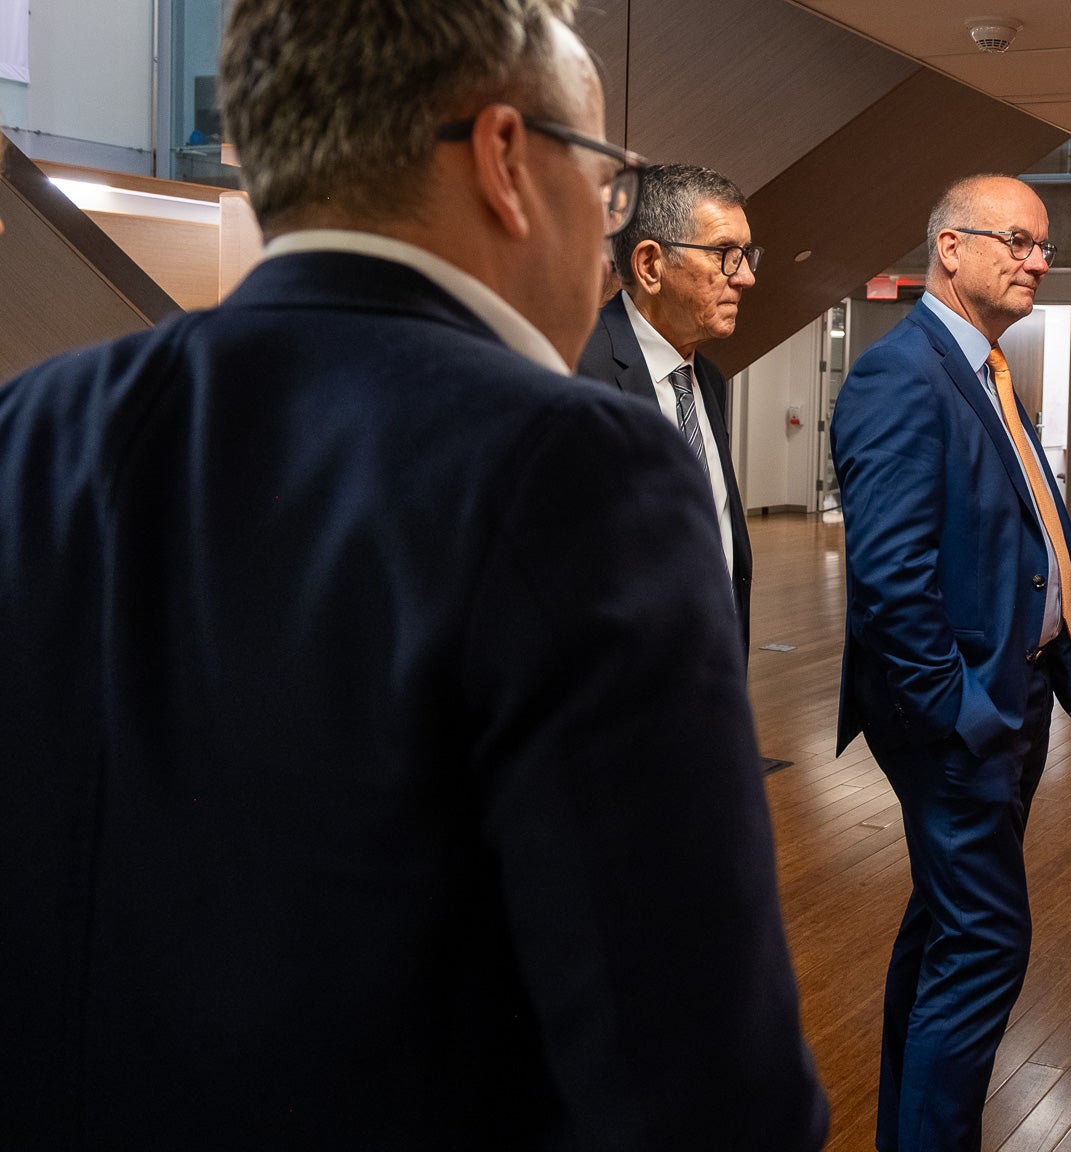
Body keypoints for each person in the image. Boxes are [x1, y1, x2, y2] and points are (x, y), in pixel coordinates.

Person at [0, 1, 827, 1147]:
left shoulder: (36, 426)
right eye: (600, 175)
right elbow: (694, 1078)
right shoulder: (576, 468)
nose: (603, 224)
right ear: (501, 159)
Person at [833, 173, 1071, 1152]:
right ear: (948, 247)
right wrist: (964, 714)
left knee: (946, 929)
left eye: (1042, 247)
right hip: (960, 715)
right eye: (1017, 241)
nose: (1036, 260)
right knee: (987, 941)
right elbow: (890, 585)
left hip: (1012, 697)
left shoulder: (985, 368)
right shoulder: (898, 376)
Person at [579, 164, 757, 646]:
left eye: (746, 255)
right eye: (725, 254)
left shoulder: (711, 382)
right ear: (650, 266)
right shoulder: (575, 376)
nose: (746, 277)